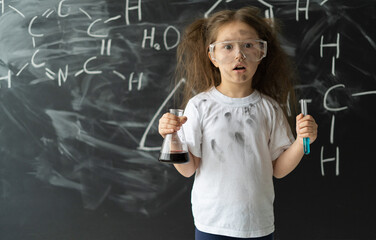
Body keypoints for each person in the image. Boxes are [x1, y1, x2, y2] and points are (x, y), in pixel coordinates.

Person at [158, 6, 318, 240]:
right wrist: (171, 137)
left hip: (259, 224)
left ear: (261, 53)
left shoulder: (270, 108)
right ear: (212, 56)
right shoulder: (200, 105)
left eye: (248, 45)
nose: (239, 55)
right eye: (227, 46)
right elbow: (188, 169)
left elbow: (279, 170)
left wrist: (302, 141)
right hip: (212, 223)